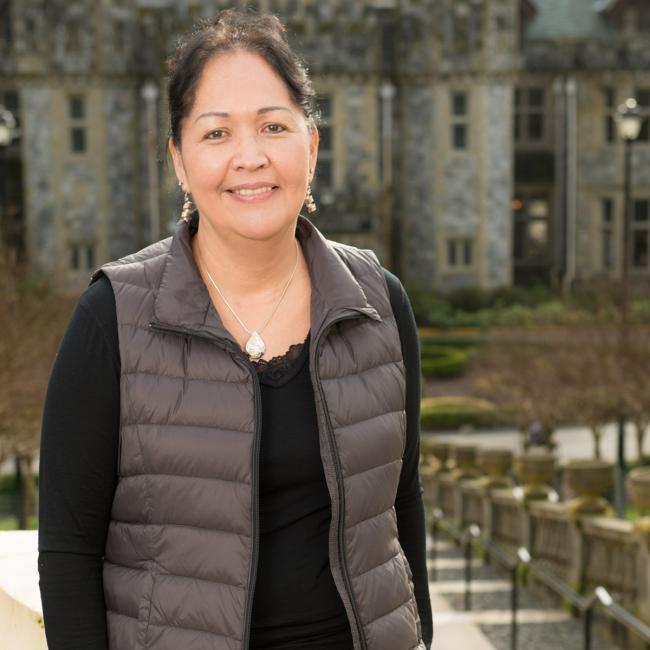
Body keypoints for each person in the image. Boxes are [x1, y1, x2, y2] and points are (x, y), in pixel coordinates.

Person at [38, 9, 432, 650]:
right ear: (179, 160)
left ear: (311, 146)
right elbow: (68, 550)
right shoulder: (112, 317)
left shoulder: (379, 303)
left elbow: (400, 503)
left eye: (273, 126)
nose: (250, 158)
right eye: (217, 133)